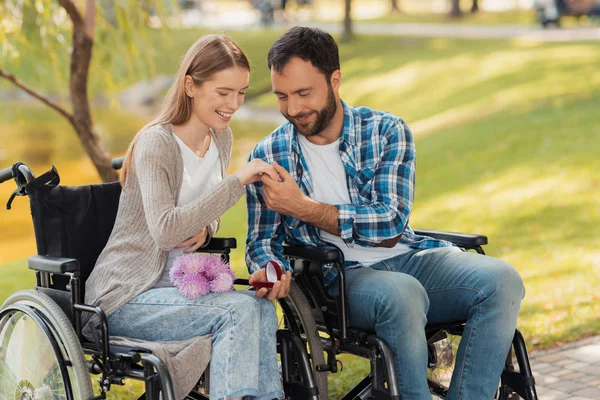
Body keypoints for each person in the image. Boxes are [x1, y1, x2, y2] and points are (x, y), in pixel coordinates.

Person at [245, 26, 525, 400]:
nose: (293, 108)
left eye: (303, 93)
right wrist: (269, 267)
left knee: (502, 280)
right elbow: (262, 240)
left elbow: (391, 223)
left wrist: (302, 208)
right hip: (341, 280)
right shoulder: (269, 155)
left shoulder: (387, 131)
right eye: (282, 96)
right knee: (403, 294)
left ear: (335, 79)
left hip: (410, 257)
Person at [83, 34, 290, 400]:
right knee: (236, 311)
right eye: (224, 92)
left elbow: (203, 210)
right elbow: (165, 231)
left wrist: (207, 227)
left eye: (241, 93)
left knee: (258, 309)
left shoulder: (219, 138)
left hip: (179, 288)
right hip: (126, 295)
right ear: (190, 85)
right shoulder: (156, 143)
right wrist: (237, 181)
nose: (234, 104)